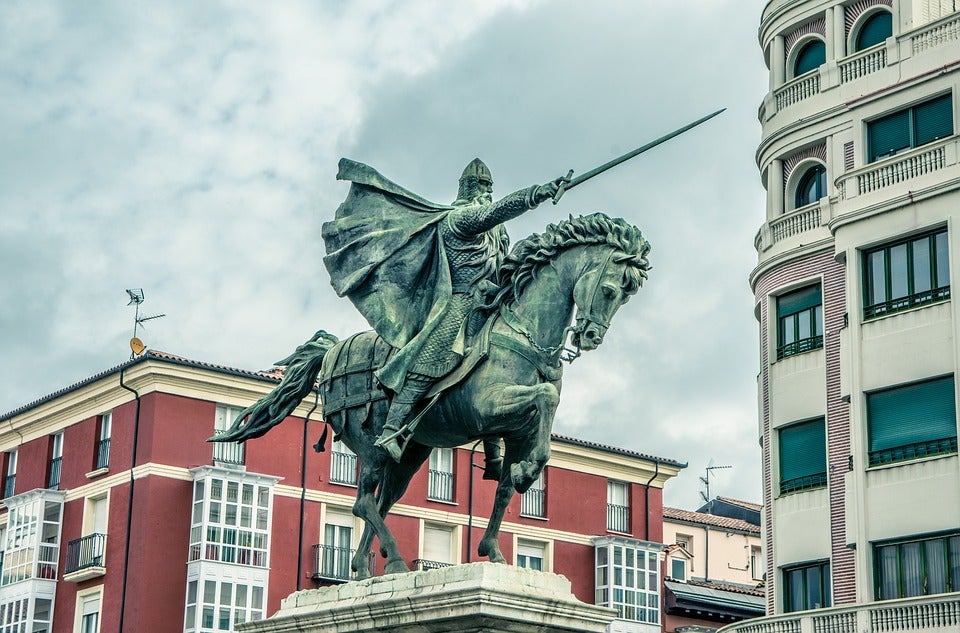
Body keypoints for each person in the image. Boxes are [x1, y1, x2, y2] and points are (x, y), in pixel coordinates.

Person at [322, 158, 567, 465]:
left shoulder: (498, 234)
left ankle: (493, 447)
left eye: (489, 188)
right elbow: (496, 211)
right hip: (458, 303)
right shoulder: (460, 218)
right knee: (435, 356)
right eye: (482, 187)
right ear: (468, 188)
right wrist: (538, 193)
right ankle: (392, 427)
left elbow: (501, 265)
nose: (486, 194)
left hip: (490, 302)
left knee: (503, 365)